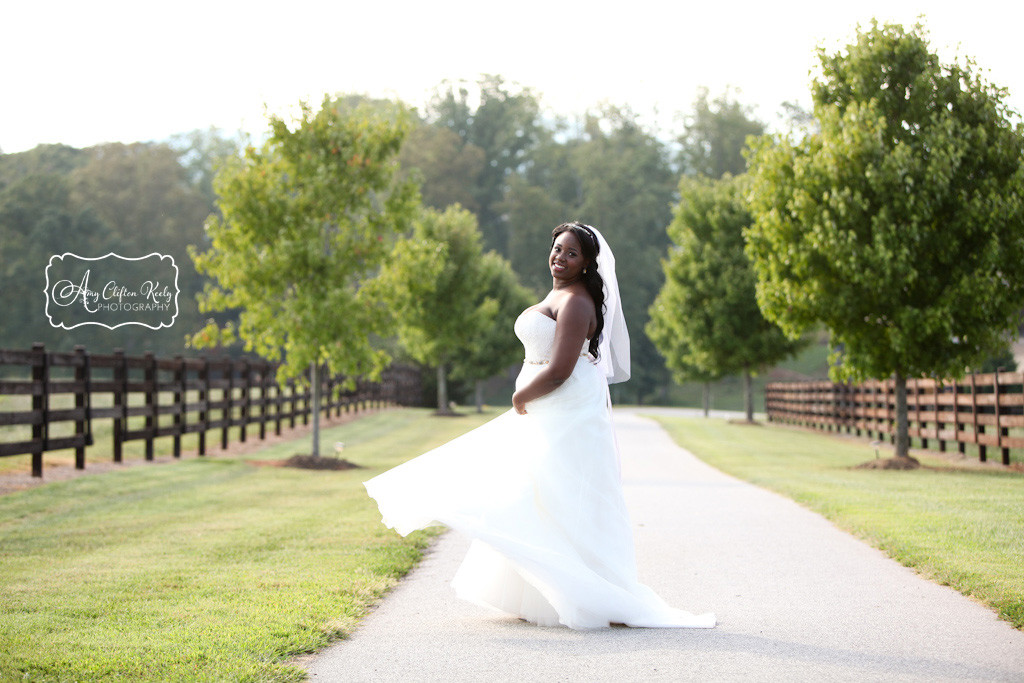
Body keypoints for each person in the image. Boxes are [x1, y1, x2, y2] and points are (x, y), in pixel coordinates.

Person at [364, 221, 715, 630]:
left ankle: (587, 593)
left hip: (564, 407)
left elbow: (561, 369)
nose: (560, 258)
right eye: (557, 249)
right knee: (535, 493)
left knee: (560, 496)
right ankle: (541, 592)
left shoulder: (578, 302)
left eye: (571, 254)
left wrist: (520, 396)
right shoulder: (559, 292)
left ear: (587, 264)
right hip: (550, 406)